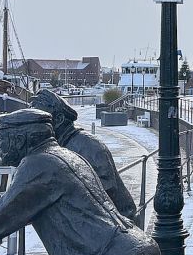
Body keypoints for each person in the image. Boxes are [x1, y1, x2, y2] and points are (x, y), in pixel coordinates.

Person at [0, 109, 162, 255]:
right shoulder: (68, 155)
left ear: (20, 140)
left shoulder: (37, 164)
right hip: (140, 249)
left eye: (2, 138)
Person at [31, 89, 137, 220]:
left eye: (41, 121)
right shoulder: (55, 147)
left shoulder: (90, 147)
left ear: (58, 119)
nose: (34, 127)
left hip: (116, 226)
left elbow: (104, 195)